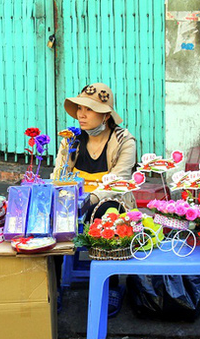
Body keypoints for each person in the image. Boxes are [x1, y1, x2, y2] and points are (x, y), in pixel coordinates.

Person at [52, 82, 137, 317]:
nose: (81, 114)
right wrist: (67, 154)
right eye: (80, 107)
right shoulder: (71, 138)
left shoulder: (124, 140)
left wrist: (91, 199)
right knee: (52, 219)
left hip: (109, 198)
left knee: (108, 213)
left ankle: (110, 285)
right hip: (74, 197)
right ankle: (54, 286)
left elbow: (119, 180)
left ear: (106, 115)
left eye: (89, 109)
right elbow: (58, 175)